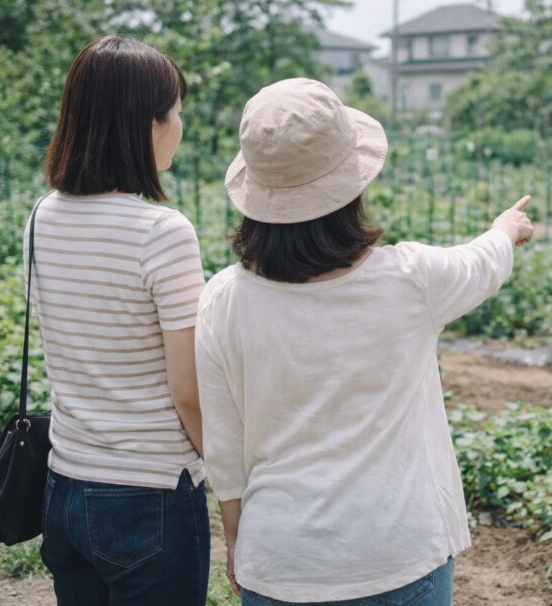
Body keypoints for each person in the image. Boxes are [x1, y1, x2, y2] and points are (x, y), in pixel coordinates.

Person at [196, 78, 534, 606]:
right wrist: (506, 229)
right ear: (351, 185)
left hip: (280, 558)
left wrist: (236, 535)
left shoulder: (222, 298)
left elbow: (223, 443)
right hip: (396, 552)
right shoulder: (412, 279)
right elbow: (482, 262)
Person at [33, 36, 210, 605]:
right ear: (148, 124)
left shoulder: (41, 217)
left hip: (64, 483)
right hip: (149, 496)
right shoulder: (163, 233)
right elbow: (187, 390)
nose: (180, 124)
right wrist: (228, 470)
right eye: (176, 110)